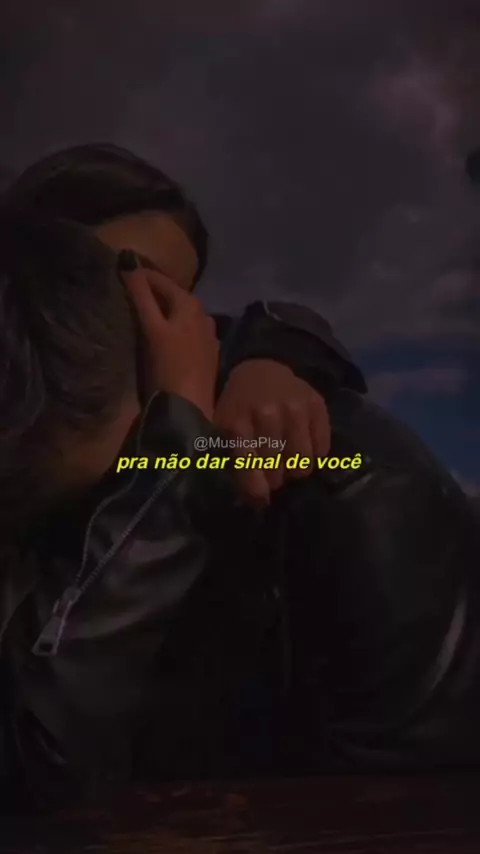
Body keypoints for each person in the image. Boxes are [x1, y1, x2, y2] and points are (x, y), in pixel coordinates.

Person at [0, 148, 479, 804]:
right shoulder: (59, 434)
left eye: (172, 299)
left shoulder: (331, 486)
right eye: (119, 286)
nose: (152, 328)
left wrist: (244, 381)